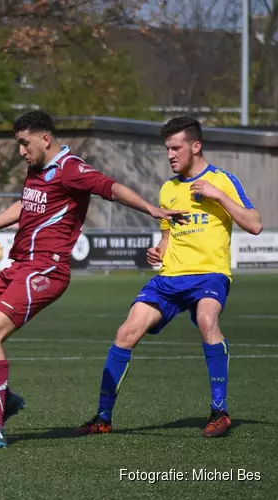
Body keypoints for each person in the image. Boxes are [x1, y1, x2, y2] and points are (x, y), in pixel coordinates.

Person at [0, 111, 186, 448]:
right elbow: (25, 206)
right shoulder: (37, 169)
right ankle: (5, 398)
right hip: (20, 265)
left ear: (45, 139)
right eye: (18, 144)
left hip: (46, 269)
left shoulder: (71, 168)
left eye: (24, 144)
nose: (21, 152)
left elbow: (110, 187)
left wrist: (152, 210)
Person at [77, 117, 263, 439]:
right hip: (170, 278)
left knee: (207, 320)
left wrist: (218, 196)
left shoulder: (223, 181)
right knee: (126, 332)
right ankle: (102, 418)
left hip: (210, 274)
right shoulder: (168, 189)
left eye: (176, 148)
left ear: (196, 146)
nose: (170, 155)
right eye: (167, 149)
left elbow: (255, 224)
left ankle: (220, 411)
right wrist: (159, 250)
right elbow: (167, 237)